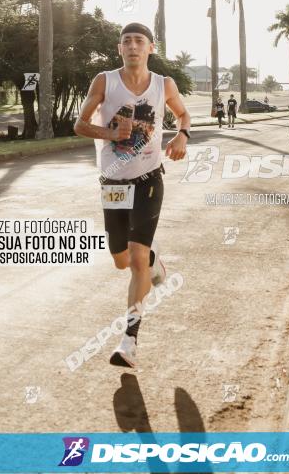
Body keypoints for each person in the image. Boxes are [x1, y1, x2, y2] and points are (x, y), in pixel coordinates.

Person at [74, 22, 190, 368]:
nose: (133, 46)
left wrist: (182, 136)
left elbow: (183, 114)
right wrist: (109, 132)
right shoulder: (104, 81)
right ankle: (155, 262)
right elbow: (79, 124)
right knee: (122, 260)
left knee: (136, 261)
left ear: (151, 48)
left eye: (139, 41)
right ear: (119, 49)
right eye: (127, 42)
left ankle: (129, 341)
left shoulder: (163, 84)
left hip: (149, 180)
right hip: (113, 183)